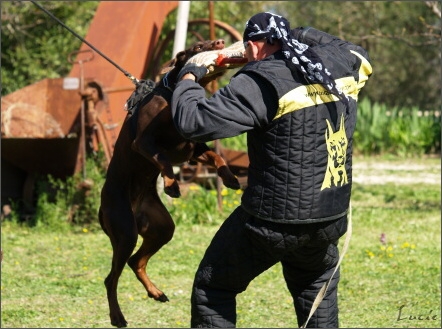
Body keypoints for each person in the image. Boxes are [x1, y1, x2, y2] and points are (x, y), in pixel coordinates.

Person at [171, 12, 372, 328]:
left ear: (251, 47)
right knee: (315, 292)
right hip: (329, 219)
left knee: (214, 287)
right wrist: (296, 33)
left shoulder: (259, 82)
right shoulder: (342, 62)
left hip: (271, 224)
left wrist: (190, 75)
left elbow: (191, 122)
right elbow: (356, 49)